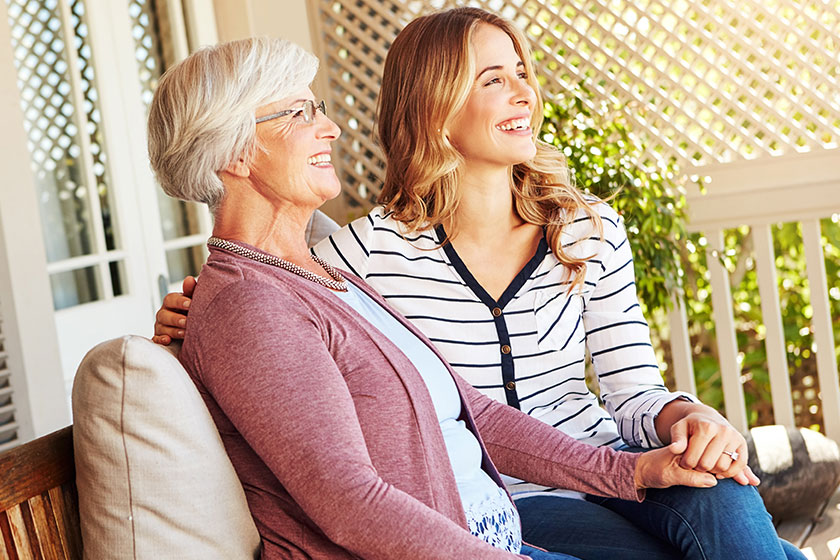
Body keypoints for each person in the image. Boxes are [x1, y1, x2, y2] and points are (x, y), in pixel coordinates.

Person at [153, 9, 806, 560]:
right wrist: (191, 326)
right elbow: (339, 477)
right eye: (495, 79)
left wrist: (670, 435)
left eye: (522, 72)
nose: (525, 92)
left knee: (727, 500)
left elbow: (548, 398)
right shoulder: (339, 264)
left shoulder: (581, 231)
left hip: (594, 460)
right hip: (510, 504)